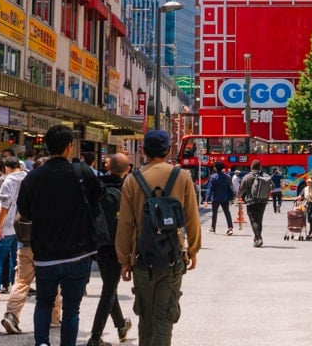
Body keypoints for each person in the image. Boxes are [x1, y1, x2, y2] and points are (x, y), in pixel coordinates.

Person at [16, 125, 103, 346]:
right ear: (69, 147)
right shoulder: (81, 172)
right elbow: (98, 198)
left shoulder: (33, 177)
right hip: (78, 252)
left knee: (44, 302)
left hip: (45, 253)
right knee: (72, 308)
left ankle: (42, 343)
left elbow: (24, 211)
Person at [116, 130, 200, 346]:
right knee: (165, 316)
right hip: (173, 256)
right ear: (168, 150)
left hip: (143, 258)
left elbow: (125, 223)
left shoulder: (132, 180)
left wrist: (124, 259)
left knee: (146, 316)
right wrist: (192, 251)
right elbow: (192, 218)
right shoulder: (182, 177)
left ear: (143, 151)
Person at [0, 157, 61, 335]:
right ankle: (54, 318)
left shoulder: (26, 185)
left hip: (25, 241)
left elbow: (20, 212)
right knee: (52, 281)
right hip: (49, 245)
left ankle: (11, 315)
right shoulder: (55, 190)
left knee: (21, 281)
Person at [88, 152, 132, 346]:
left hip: (97, 243)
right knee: (108, 290)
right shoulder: (127, 190)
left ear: (108, 167)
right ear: (128, 169)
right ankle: (95, 337)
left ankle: (121, 324)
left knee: (110, 285)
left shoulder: (95, 186)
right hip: (117, 245)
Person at [0, 156, 21, 298]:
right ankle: (16, 287)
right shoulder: (28, 179)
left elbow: (2, 206)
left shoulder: (5, 182)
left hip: (6, 227)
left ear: (6, 168)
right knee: (17, 259)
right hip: (21, 227)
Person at [239, 160, 271, 247]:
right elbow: (272, 186)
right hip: (263, 201)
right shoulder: (265, 176)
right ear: (260, 167)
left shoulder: (247, 177)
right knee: (259, 220)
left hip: (251, 201)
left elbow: (241, 189)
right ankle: (258, 237)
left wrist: (237, 197)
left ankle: (258, 238)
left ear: (251, 167)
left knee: (254, 220)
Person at [205, 162, 233, 235]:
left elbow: (210, 188)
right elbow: (229, 187)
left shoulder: (213, 177)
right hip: (225, 197)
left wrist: (206, 200)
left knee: (214, 213)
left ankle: (213, 228)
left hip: (215, 198)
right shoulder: (227, 176)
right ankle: (230, 228)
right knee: (227, 212)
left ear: (216, 168)